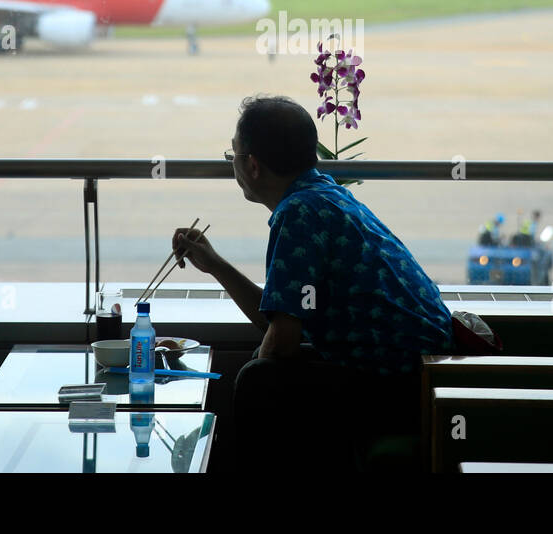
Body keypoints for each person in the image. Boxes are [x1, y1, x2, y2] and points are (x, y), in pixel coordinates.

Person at [172, 94, 454, 472]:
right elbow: (284, 316)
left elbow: (282, 342)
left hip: (399, 388)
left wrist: (255, 368)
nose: (232, 165)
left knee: (255, 380)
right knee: (256, 374)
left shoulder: (299, 214)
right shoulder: (324, 193)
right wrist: (216, 265)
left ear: (252, 165)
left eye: (232, 156)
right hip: (419, 375)